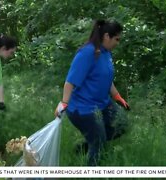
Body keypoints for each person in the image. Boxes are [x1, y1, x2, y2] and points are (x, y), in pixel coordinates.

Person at [55, 20, 130, 166]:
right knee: (99, 143)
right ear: (107, 36)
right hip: (83, 108)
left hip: (102, 103)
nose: (118, 43)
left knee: (121, 125)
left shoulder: (106, 52)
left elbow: (106, 77)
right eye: (117, 39)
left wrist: (117, 96)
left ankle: (85, 146)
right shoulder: (88, 53)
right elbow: (70, 81)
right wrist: (64, 103)